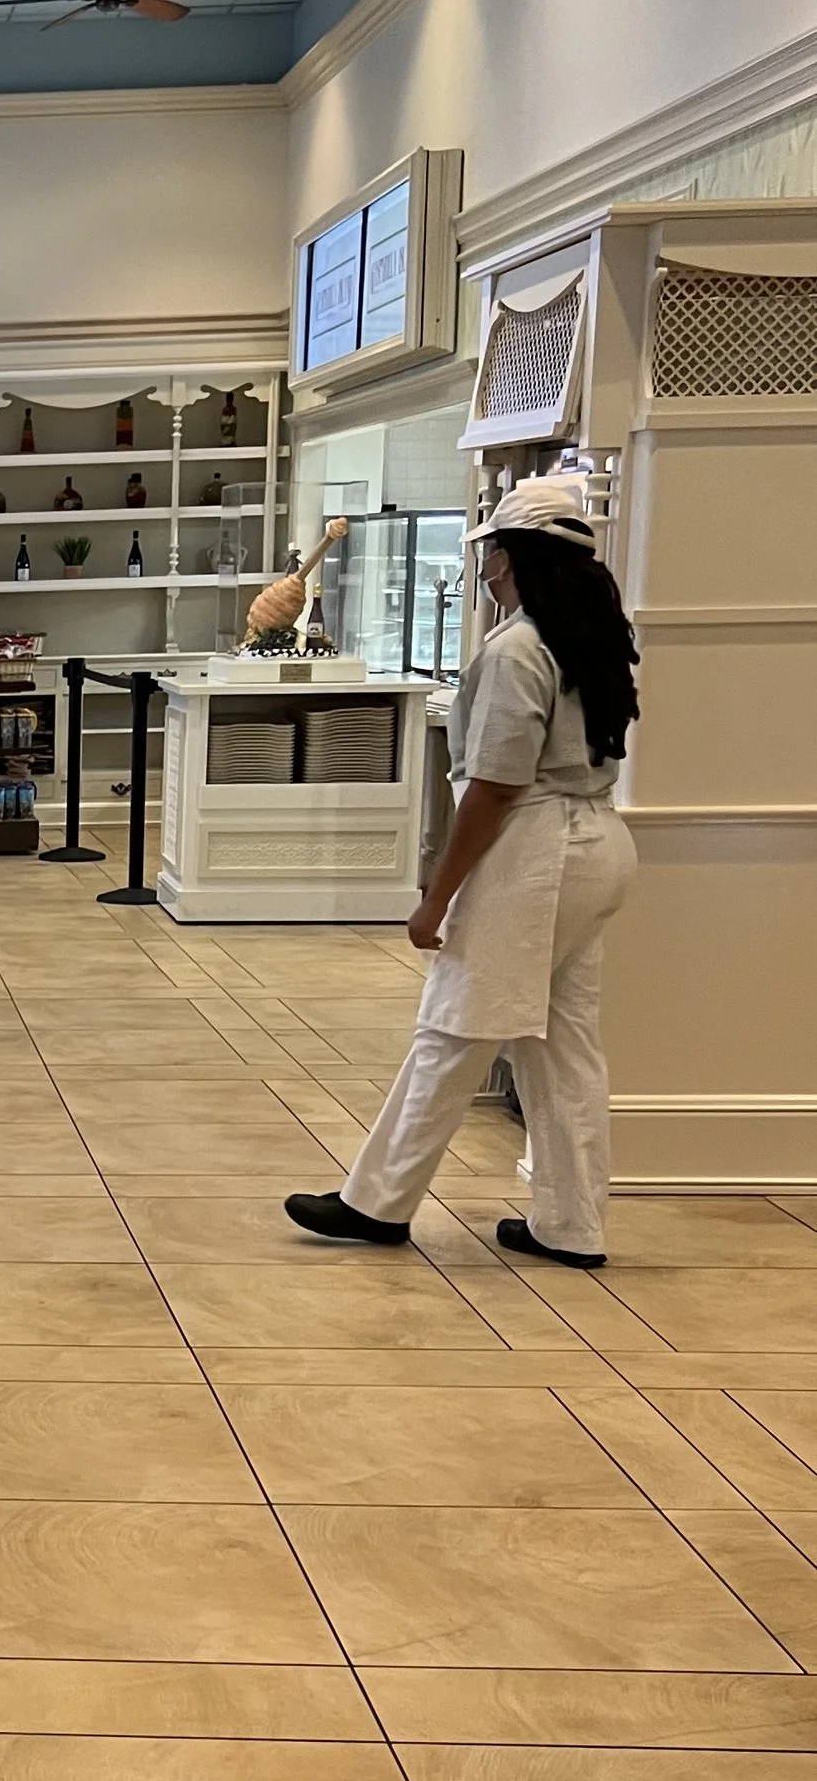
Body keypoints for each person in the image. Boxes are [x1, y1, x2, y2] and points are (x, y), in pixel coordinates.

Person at [286, 480, 642, 1267]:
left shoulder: (517, 648)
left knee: (453, 1026)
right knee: (564, 1046)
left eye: (492, 557)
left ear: (512, 558)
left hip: (538, 851)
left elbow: (497, 785)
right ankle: (571, 1223)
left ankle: (376, 1203)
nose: (486, 572)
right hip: (600, 844)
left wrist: (436, 895)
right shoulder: (589, 633)